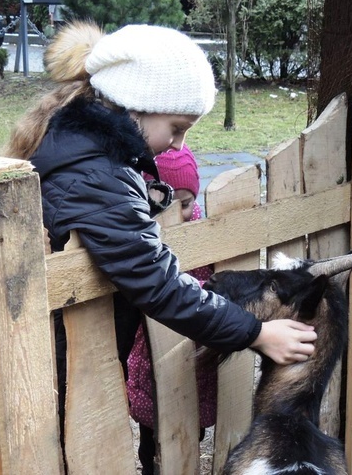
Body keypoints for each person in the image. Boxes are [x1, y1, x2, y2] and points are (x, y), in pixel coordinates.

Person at [1, 20, 316, 431]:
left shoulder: (87, 153)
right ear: (136, 105)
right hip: (58, 355)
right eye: (177, 128)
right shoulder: (98, 177)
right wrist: (256, 333)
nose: (179, 145)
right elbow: (157, 282)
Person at [128, 144, 216, 474]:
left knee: (193, 428)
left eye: (187, 202)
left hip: (195, 354)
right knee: (152, 436)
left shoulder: (205, 231)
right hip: (149, 352)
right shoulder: (137, 238)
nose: (178, 213)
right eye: (166, 202)